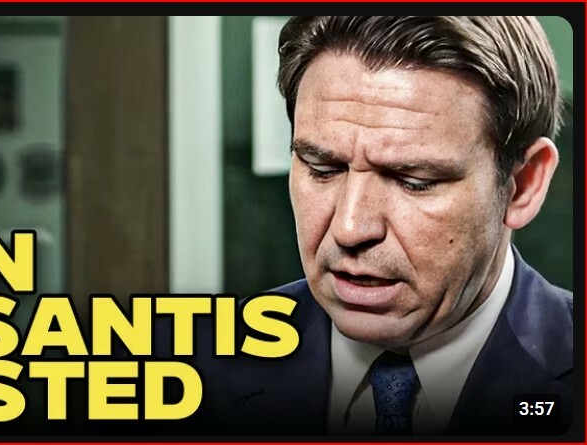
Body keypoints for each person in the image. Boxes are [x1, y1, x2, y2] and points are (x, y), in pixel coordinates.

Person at [191, 16, 573, 437]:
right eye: (323, 168)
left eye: (414, 180)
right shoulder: (192, 371)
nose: (350, 228)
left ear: (523, 186)